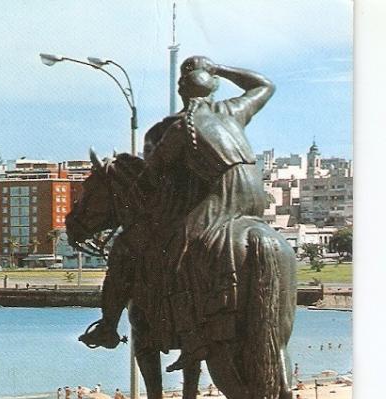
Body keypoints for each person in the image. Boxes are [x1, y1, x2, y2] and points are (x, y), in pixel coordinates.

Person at [80, 56, 275, 372]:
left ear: (182, 91)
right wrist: (219, 67)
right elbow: (264, 84)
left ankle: (188, 336)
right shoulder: (232, 112)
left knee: (175, 253)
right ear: (212, 86)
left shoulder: (176, 126)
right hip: (254, 196)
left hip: (222, 196)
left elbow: (152, 179)